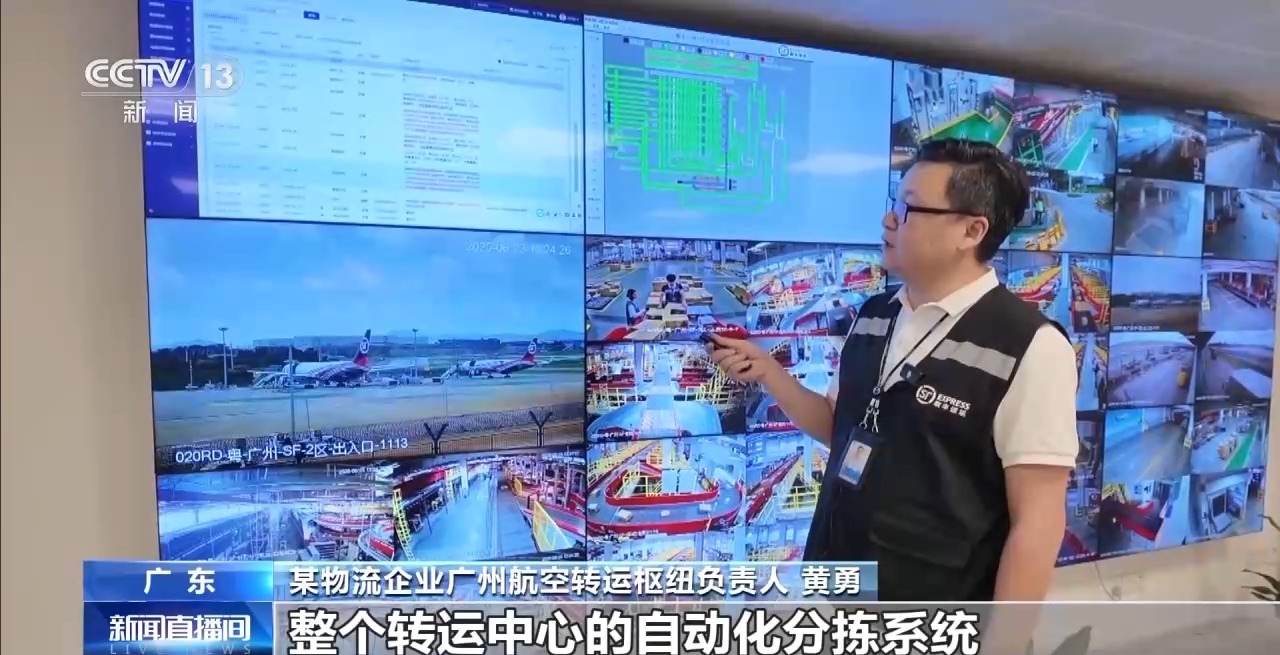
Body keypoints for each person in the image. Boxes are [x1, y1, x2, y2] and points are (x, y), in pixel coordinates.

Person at [707, 138, 1078, 605]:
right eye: (894, 203)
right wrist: (768, 373)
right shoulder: (874, 315)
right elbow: (839, 427)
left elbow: (1037, 524)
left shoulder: (1031, 346)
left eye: (908, 209)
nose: (888, 220)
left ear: (971, 230)